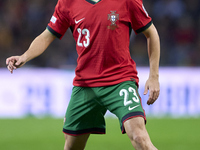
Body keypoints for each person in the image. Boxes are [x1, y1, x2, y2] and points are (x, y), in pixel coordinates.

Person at [6, 0, 160, 149]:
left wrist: (154, 76)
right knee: (72, 146)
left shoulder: (128, 1)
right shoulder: (67, 3)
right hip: (85, 85)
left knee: (140, 138)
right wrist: (24, 56)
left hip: (120, 81)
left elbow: (151, 32)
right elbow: (47, 36)